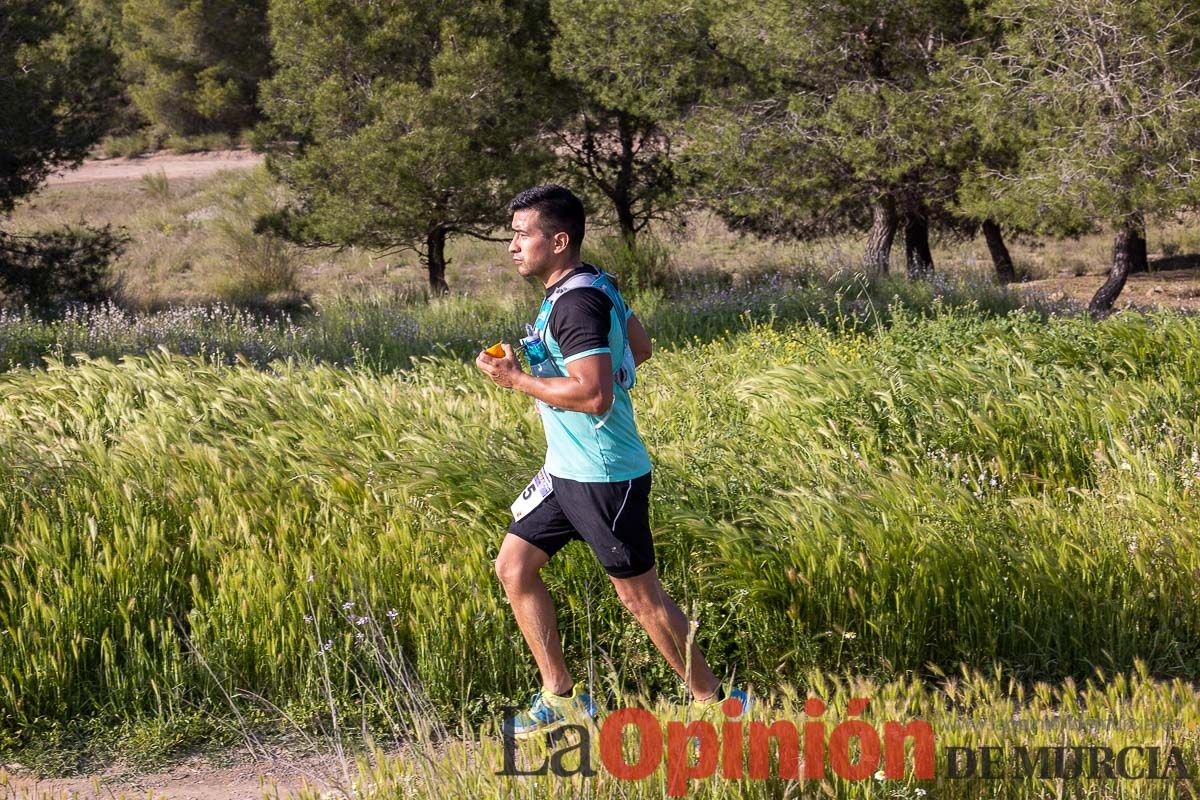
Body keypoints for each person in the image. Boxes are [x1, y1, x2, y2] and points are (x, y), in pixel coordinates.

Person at [475, 184, 748, 738]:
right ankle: (562, 696)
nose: (512, 246)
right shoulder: (593, 283)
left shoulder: (576, 302)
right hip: (565, 470)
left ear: (558, 240)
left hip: (603, 474)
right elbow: (639, 348)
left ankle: (718, 706)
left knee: (640, 597)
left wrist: (518, 379)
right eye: (511, 235)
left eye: (521, 235)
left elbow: (595, 395)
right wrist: (552, 360)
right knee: (514, 568)